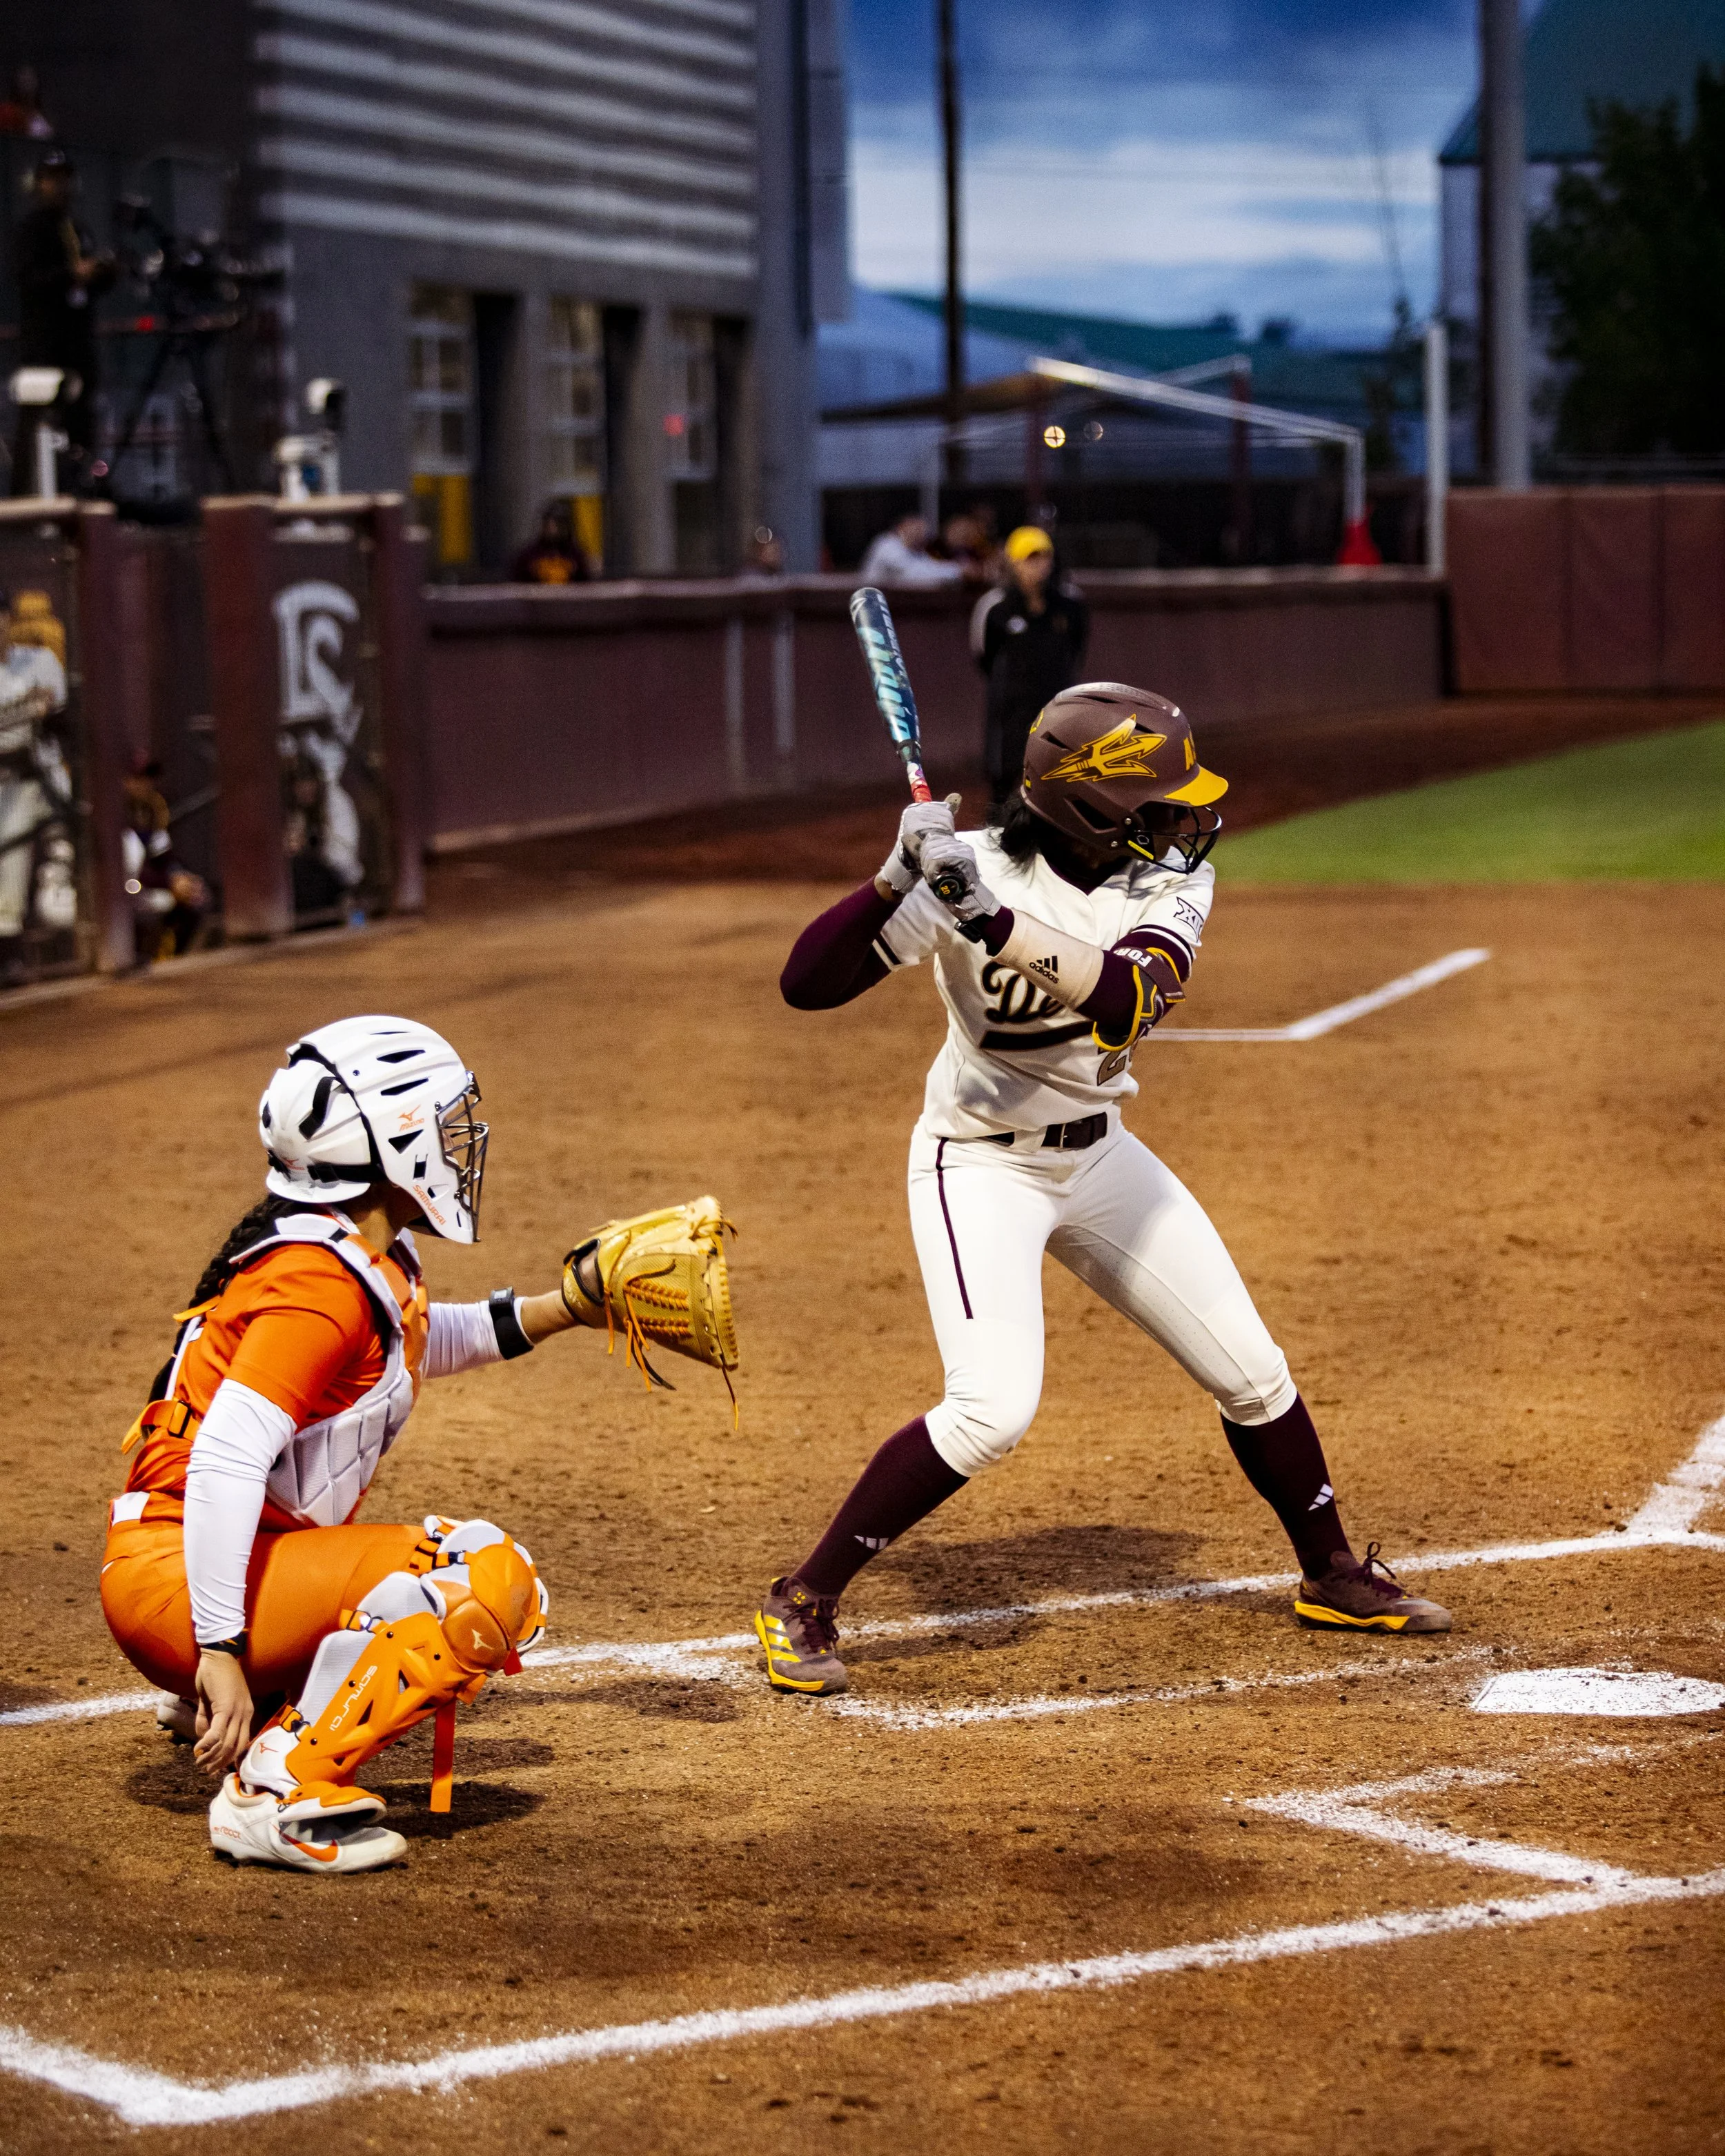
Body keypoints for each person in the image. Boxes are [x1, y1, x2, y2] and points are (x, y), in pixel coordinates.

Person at [753, 682, 1450, 1697]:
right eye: (1159, 803)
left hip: (1101, 1155)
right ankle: (803, 1596)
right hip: (978, 1162)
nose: (1183, 823)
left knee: (1253, 1371)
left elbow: (1128, 997)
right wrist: (893, 877)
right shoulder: (964, 871)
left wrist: (991, 921)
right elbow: (806, 985)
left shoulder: (1163, 886)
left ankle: (1331, 1572)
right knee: (991, 1410)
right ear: (1092, 808)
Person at [99, 1015, 734, 1872]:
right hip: (180, 1584)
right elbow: (224, 1458)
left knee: (432, 1577)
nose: (458, 1139)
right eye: (441, 1120)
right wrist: (216, 1650)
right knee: (478, 1575)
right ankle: (271, 1790)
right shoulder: (318, 1286)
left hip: (204, 1561)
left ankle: (264, 1689)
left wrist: (566, 1307)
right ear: (390, 1139)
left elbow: (409, 1346)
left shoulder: (349, 1250)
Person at [10, 150, 114, 496]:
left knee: (81, 422)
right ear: (39, 184)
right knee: (38, 421)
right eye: (53, 179)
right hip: (44, 344)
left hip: (78, 341)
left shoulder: (77, 229)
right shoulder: (31, 230)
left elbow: (93, 283)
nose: (61, 186)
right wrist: (72, 274)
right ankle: (28, 495)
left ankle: (82, 489)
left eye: (65, 179)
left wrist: (102, 273)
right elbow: (28, 280)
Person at [972, 526, 1089, 812]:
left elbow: (1077, 647)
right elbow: (983, 653)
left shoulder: (1071, 604)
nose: (1038, 566)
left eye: (1044, 557)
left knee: (1061, 775)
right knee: (1004, 776)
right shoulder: (996, 606)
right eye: (1030, 559)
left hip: (1058, 704)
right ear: (1013, 563)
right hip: (1011, 708)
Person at [0, 584, 73, 984]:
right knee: (9, 863)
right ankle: (10, 953)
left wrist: (45, 712)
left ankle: (77, 917)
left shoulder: (40, 660)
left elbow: (62, 716)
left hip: (45, 777)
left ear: (8, 621)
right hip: (6, 785)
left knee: (76, 834)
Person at [858, 512, 963, 589]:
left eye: (923, 530)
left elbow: (931, 568)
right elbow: (913, 574)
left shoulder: (917, 551)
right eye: (917, 529)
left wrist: (959, 569)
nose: (921, 534)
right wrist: (959, 571)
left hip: (897, 602)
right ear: (901, 528)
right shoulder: (887, 544)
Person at [511, 500, 591, 584]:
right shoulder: (529, 556)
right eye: (551, 524)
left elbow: (586, 584)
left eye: (560, 524)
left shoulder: (576, 556)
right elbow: (516, 584)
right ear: (544, 525)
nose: (554, 529)